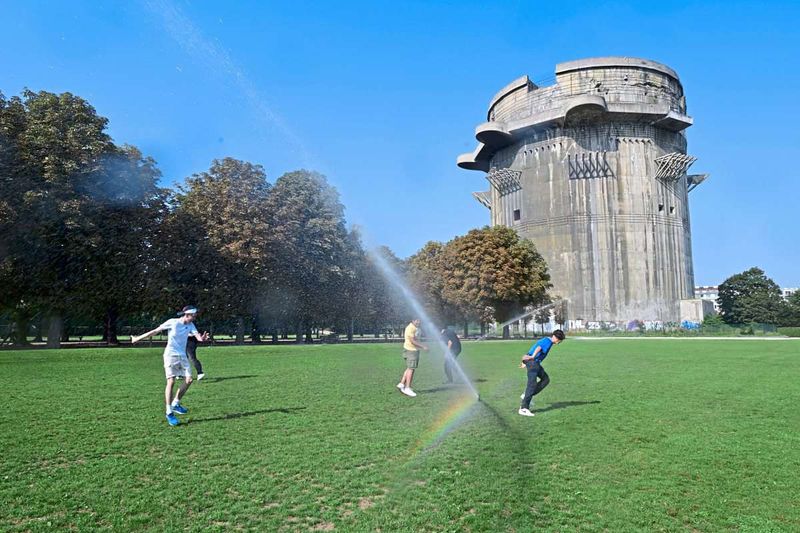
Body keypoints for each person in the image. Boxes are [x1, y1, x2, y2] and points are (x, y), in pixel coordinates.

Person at [132, 306, 209, 426]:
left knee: (189, 380)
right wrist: (137, 338)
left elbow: (198, 337)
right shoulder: (172, 322)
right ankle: (169, 412)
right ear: (187, 315)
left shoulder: (191, 325)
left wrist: (202, 338)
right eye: (193, 316)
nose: (195, 317)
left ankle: (175, 404)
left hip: (182, 356)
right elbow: (155, 331)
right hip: (170, 355)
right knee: (171, 382)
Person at [518, 329, 566, 417]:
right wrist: (532, 357)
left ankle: (526, 395)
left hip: (533, 363)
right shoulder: (548, 342)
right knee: (531, 385)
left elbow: (533, 348)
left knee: (545, 379)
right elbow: (538, 348)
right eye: (559, 340)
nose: (559, 343)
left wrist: (525, 361)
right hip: (533, 363)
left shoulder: (547, 340)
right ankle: (523, 408)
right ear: (555, 337)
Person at [396, 318, 428, 397]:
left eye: (419, 320)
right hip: (411, 351)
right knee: (411, 369)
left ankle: (402, 383)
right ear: (412, 320)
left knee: (409, 367)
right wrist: (423, 347)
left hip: (412, 350)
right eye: (417, 320)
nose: (418, 322)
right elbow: (412, 341)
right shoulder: (410, 328)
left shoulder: (416, 328)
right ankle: (407, 388)